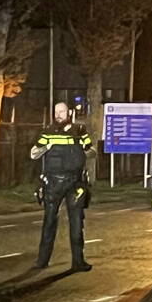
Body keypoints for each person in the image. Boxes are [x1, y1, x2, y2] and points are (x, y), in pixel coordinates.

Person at [31, 102, 94, 272]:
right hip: (53, 182)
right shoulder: (48, 131)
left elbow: (91, 152)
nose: (58, 114)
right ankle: (42, 260)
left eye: (62, 111)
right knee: (49, 221)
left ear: (69, 113)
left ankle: (78, 261)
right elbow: (34, 153)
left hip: (75, 183)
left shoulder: (79, 131)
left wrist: (84, 149)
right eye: (56, 112)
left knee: (76, 222)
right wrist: (46, 146)